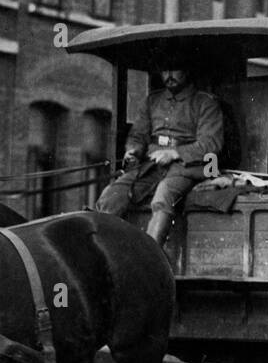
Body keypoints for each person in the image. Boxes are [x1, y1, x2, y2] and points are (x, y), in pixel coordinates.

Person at [93, 61, 224, 245]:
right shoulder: (152, 101)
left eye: (175, 68)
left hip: (187, 167)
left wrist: (174, 153)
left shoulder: (205, 102)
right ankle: (107, 253)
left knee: (164, 196)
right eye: (165, 69)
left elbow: (211, 143)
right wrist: (134, 151)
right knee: (111, 195)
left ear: (186, 70)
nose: (169, 74)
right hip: (151, 166)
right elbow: (138, 135)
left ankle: (151, 258)